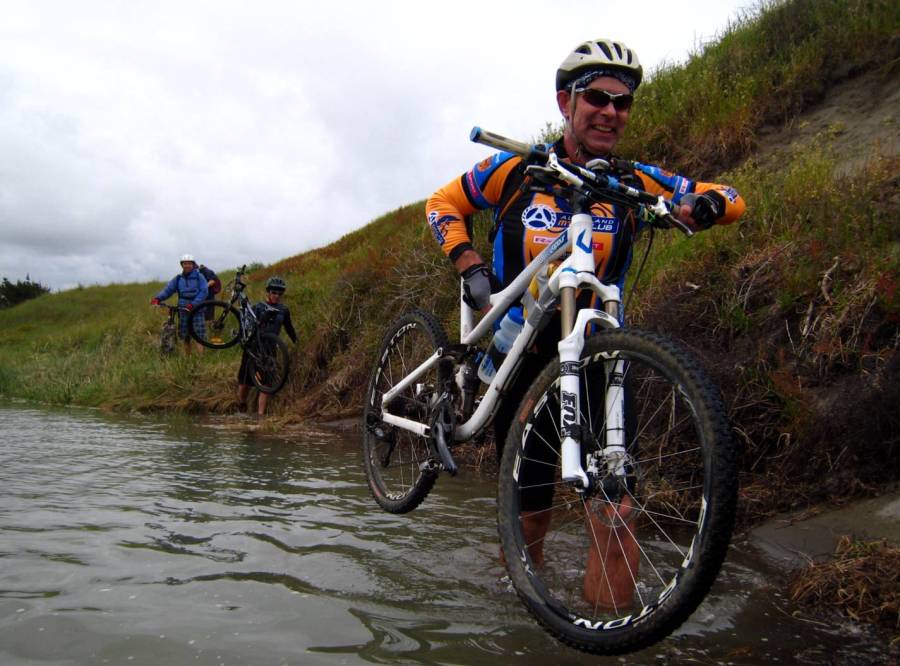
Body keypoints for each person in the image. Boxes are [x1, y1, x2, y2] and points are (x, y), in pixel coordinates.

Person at [425, 38, 746, 608]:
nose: (610, 112)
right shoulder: (516, 171)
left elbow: (730, 195)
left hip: (599, 355)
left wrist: (708, 206)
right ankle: (523, 617)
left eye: (622, 103)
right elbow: (442, 204)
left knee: (617, 509)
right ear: (564, 102)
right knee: (530, 517)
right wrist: (467, 262)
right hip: (520, 356)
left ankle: (609, 635)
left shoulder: (631, 181)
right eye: (597, 97)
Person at [236, 276, 298, 417]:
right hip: (253, 348)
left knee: (266, 384)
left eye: (280, 294)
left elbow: (289, 328)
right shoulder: (258, 307)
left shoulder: (283, 310)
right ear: (268, 292)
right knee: (245, 383)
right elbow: (246, 326)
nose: (277, 296)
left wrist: (296, 341)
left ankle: (260, 415)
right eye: (274, 292)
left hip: (270, 350)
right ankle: (241, 406)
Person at [150, 254, 209, 354]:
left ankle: (200, 359)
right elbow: (168, 290)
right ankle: (188, 359)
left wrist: (193, 304)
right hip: (183, 310)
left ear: (193, 265)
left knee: (199, 336)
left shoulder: (200, 277)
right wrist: (157, 298)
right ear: (182, 265)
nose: (187, 265)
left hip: (197, 310)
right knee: (185, 336)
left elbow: (204, 291)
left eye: (189, 263)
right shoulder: (178, 279)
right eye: (185, 263)